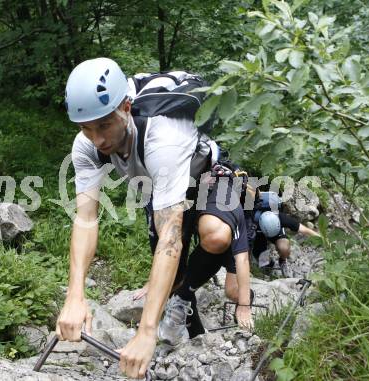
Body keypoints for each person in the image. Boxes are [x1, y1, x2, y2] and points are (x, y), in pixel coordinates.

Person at [55, 57, 253, 379]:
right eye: (86, 128)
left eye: (104, 124)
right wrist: (75, 296)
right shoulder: (86, 146)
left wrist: (146, 331)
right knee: (172, 282)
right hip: (160, 186)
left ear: (126, 107)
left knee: (214, 234)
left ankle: (181, 303)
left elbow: (171, 240)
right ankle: (192, 335)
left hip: (207, 177)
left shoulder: (164, 136)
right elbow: (86, 218)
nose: (98, 139)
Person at [252, 201, 321, 277]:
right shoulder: (252, 222)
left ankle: (282, 261)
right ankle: (268, 266)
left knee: (284, 248)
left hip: (277, 233)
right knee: (260, 255)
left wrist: (323, 240)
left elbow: (305, 230)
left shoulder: (281, 218)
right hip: (259, 233)